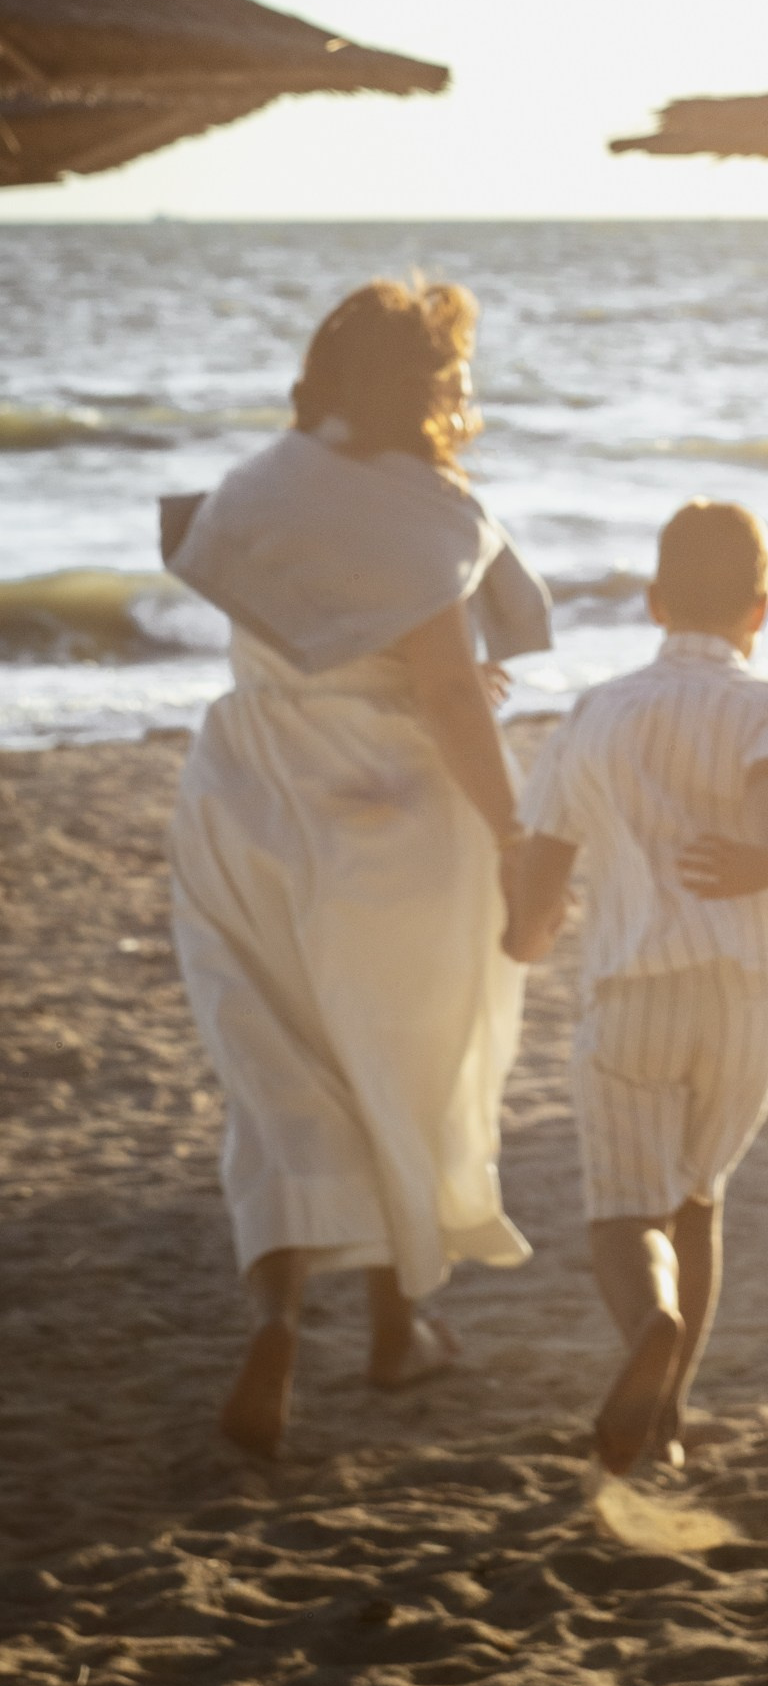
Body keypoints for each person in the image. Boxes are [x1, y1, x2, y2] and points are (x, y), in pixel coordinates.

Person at [164, 278, 553, 1458]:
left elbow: (298, 632)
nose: (469, 391)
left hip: (243, 789)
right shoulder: (422, 514)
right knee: (407, 1059)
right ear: (424, 389)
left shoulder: (262, 487)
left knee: (277, 1065)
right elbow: (437, 688)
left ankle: (277, 1320)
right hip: (379, 811)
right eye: (458, 371)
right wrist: (517, 837)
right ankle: (395, 1329)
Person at [502, 499, 768, 1477]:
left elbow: (545, 852)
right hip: (750, 992)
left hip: (635, 987)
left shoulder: (596, 713)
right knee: (699, 1200)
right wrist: (765, 851)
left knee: (628, 1211)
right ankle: (666, 1419)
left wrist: (526, 931)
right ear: (762, 608)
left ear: (655, 602)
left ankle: (648, 1330)